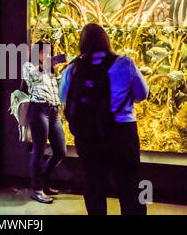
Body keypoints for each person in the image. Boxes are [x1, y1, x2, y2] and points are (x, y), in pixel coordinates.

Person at [59, 23, 149, 215]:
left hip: (87, 135)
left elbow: (62, 97)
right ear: (106, 40)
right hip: (122, 133)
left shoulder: (72, 68)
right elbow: (142, 94)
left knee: (93, 182)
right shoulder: (125, 63)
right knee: (130, 183)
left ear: (82, 43)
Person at [22, 41, 66, 204]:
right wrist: (46, 65)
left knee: (60, 151)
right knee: (38, 151)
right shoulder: (29, 66)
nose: (47, 54)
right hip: (38, 109)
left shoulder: (51, 70)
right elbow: (31, 80)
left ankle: (43, 181)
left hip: (54, 111)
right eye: (44, 52)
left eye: (49, 52)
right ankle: (37, 189)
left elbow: (58, 89)